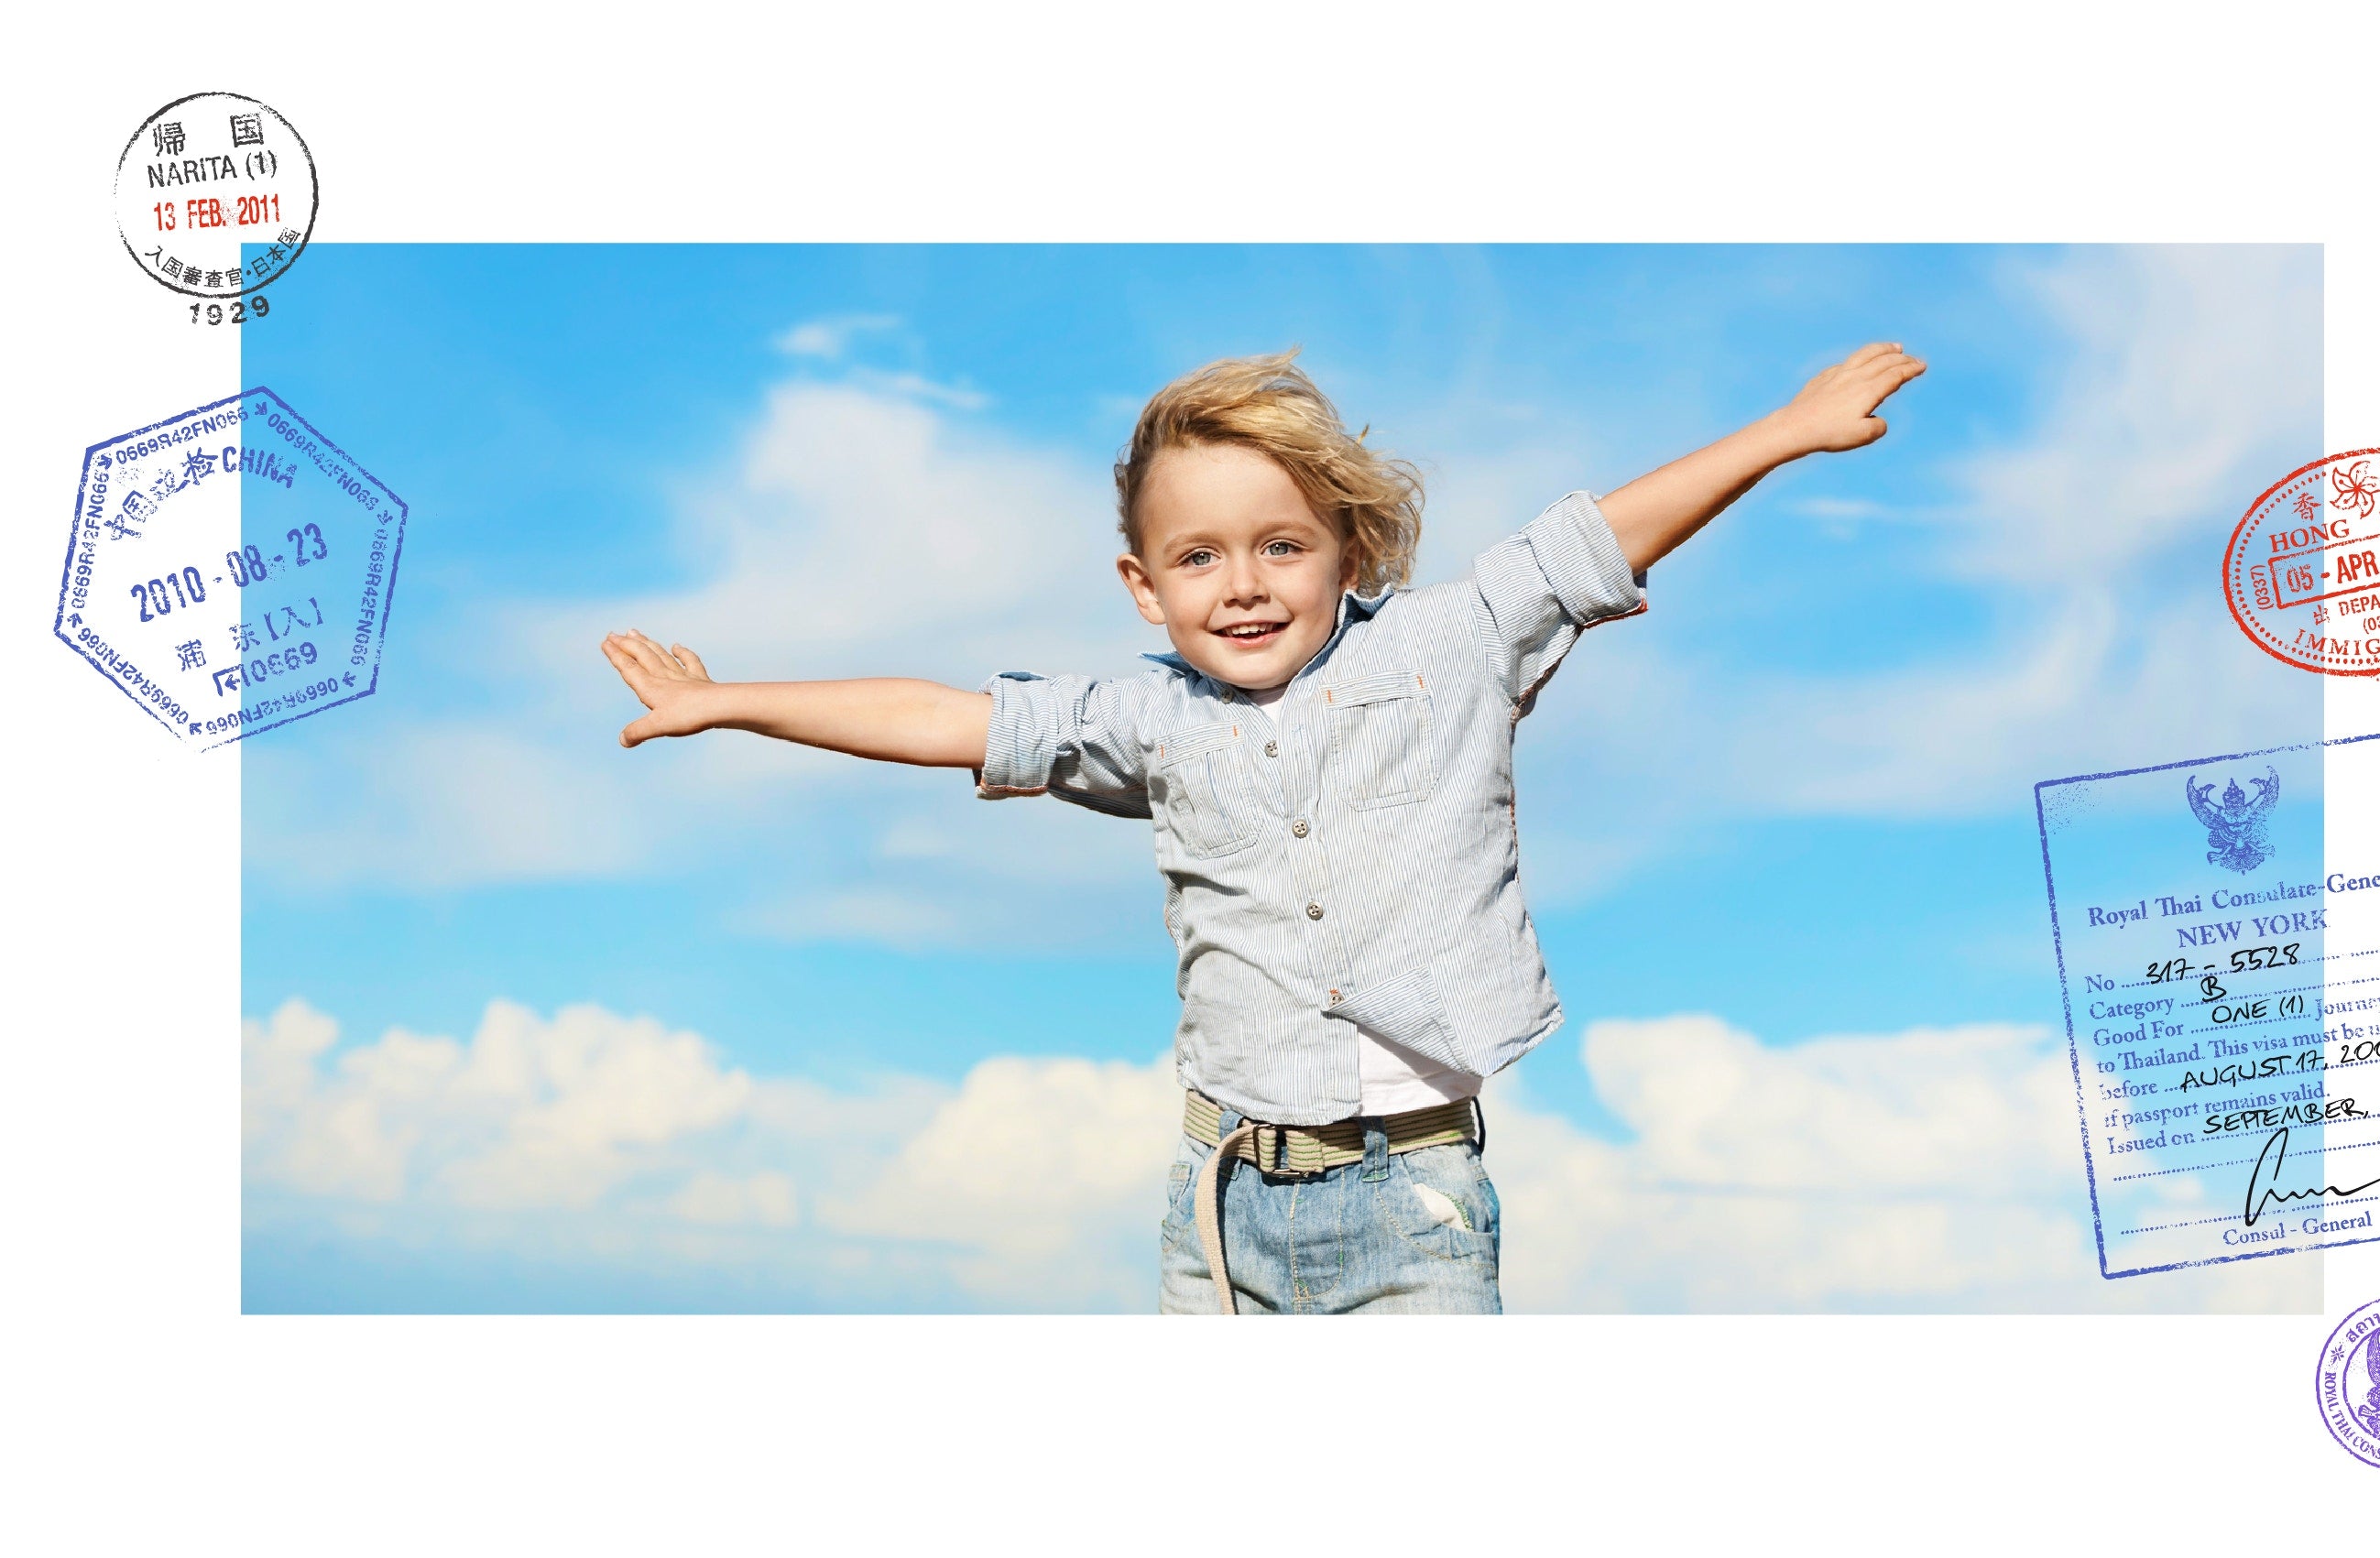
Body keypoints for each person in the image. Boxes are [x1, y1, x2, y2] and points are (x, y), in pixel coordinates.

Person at [602, 341, 1926, 1313]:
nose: (1241, 586)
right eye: (1197, 557)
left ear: (1347, 550)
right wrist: (726, 700)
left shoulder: (1447, 649)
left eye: (1280, 547)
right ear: (1143, 583)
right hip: (1219, 1205)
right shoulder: (1147, 720)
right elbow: (948, 716)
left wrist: (1788, 429)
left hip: (1414, 1205)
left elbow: (1596, 540)